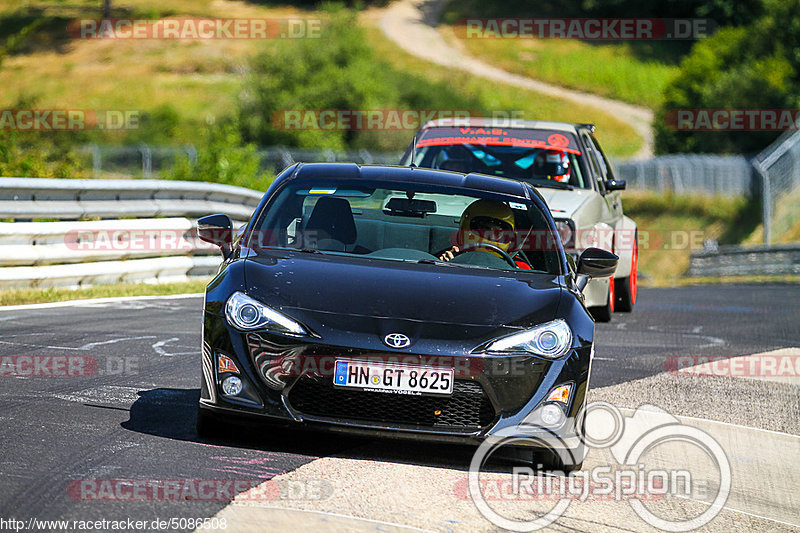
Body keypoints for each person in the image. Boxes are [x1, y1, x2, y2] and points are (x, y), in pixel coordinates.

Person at [438, 199, 531, 269]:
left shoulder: (519, 266)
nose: (490, 234)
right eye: (485, 229)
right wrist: (444, 266)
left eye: (497, 232)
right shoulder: (452, 257)